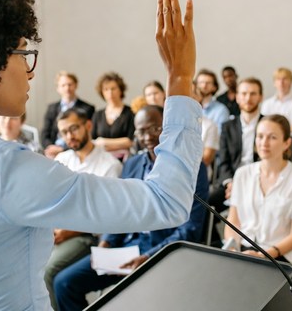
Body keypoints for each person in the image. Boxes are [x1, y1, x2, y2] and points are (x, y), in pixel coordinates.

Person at [0, 0, 202, 311]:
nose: (30, 73)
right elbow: (166, 201)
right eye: (23, 52)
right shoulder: (0, 169)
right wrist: (180, 79)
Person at [53, 105, 209, 311]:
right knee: (64, 283)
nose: (148, 136)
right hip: (128, 247)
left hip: (164, 250)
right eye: (141, 131)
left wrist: (149, 256)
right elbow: (118, 210)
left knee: (130, 299)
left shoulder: (191, 168)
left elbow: (190, 229)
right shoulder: (133, 164)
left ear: (167, 128)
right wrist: (106, 243)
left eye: (155, 128)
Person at [44, 108, 123, 310]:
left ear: (88, 125)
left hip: (86, 236)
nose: (70, 136)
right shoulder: (62, 160)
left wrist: (68, 231)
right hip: (56, 231)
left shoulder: (109, 164)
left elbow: (107, 216)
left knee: (48, 271)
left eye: (74, 129)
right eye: (64, 132)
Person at [224, 115, 292, 274]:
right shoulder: (242, 174)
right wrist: (233, 249)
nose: (264, 143)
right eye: (260, 136)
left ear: (287, 143)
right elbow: (233, 221)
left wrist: (263, 256)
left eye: (272, 137)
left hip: (281, 256)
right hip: (244, 250)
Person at [209, 78, 263, 215]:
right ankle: (216, 237)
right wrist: (230, 183)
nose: (248, 98)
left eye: (253, 94)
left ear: (260, 97)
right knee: (205, 205)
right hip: (231, 181)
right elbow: (223, 161)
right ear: (237, 97)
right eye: (244, 94)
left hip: (260, 182)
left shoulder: (268, 124)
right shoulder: (227, 127)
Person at [41, 71, 95, 158]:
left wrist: (63, 150)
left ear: (76, 85)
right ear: (58, 88)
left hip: (75, 151)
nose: (67, 88)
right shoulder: (52, 108)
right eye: (63, 85)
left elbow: (87, 136)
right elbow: (45, 133)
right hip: (52, 152)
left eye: (70, 84)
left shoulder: (87, 108)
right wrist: (51, 148)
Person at [92, 72, 135, 161]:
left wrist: (104, 142)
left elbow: (130, 141)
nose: (110, 93)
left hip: (124, 160)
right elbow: (93, 141)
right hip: (100, 160)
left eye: (113, 88)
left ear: (120, 90)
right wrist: (119, 144)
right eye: (106, 89)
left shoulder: (130, 113)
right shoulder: (98, 115)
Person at [261, 67, 292, 132]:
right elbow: (264, 124)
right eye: (278, 79)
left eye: (285, 79)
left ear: (291, 82)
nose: (281, 82)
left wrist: (281, 138)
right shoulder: (267, 103)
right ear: (274, 83)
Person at [193, 69, 230, 133]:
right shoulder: (189, 108)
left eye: (208, 83)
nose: (204, 86)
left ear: (214, 87)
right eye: (201, 82)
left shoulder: (221, 110)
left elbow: (221, 136)